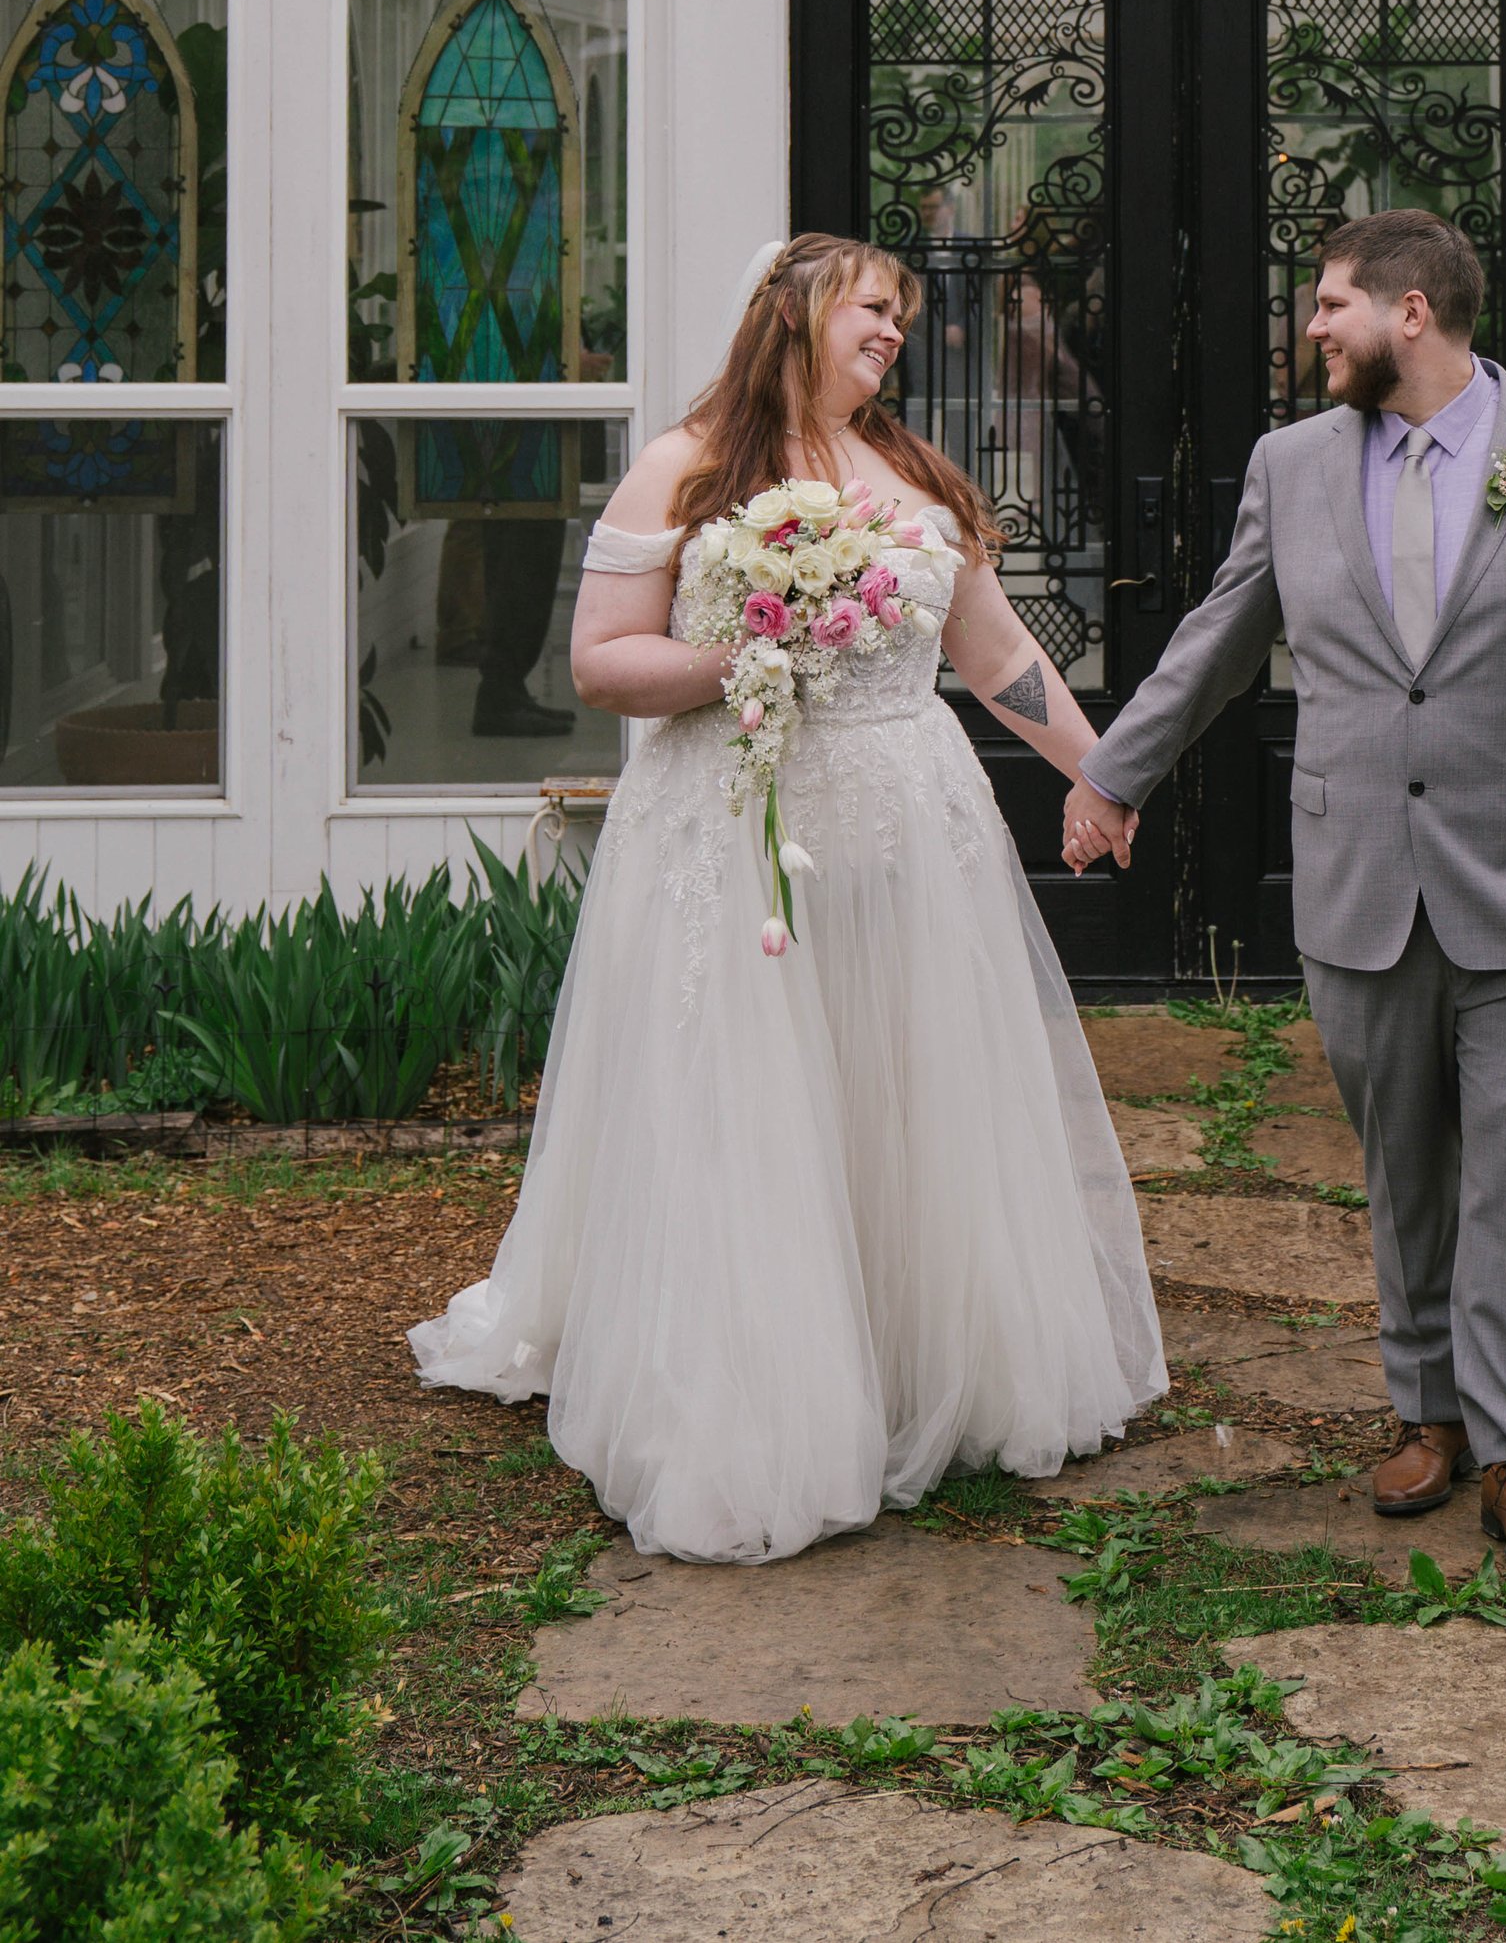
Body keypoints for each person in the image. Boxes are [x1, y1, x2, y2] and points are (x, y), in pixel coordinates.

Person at [410, 234, 1163, 1562]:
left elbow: (997, 659)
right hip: (738, 830)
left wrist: (1105, 771)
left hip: (910, 833)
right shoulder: (689, 465)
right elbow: (601, 662)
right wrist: (748, 649)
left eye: (899, 318)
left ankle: (917, 1357)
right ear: (799, 310)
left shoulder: (914, 471)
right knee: (753, 1109)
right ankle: (759, 1394)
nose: (893, 335)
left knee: (907, 1088)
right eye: (876, 310)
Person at [1064, 208, 1506, 1575]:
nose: (1311, 325)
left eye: (1329, 302)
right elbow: (1219, 638)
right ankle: (1427, 1411)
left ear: (1410, 311)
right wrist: (1115, 774)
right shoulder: (1292, 465)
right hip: (1359, 874)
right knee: (1404, 1167)